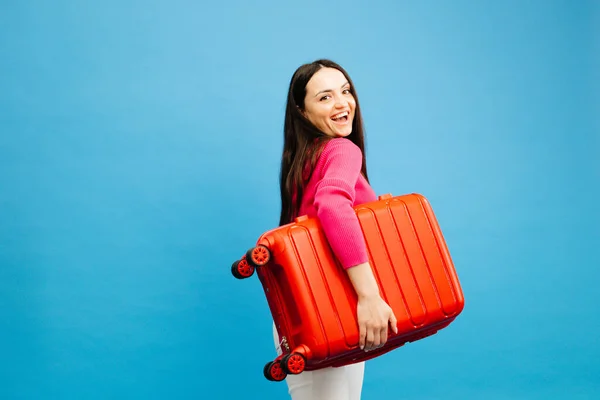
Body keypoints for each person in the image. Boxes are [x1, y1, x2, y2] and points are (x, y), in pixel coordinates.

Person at [273, 59, 398, 400]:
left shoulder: (304, 161)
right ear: (302, 111)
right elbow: (332, 204)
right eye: (325, 97)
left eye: (345, 91)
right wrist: (369, 296)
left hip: (307, 308)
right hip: (332, 305)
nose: (342, 103)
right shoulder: (341, 149)